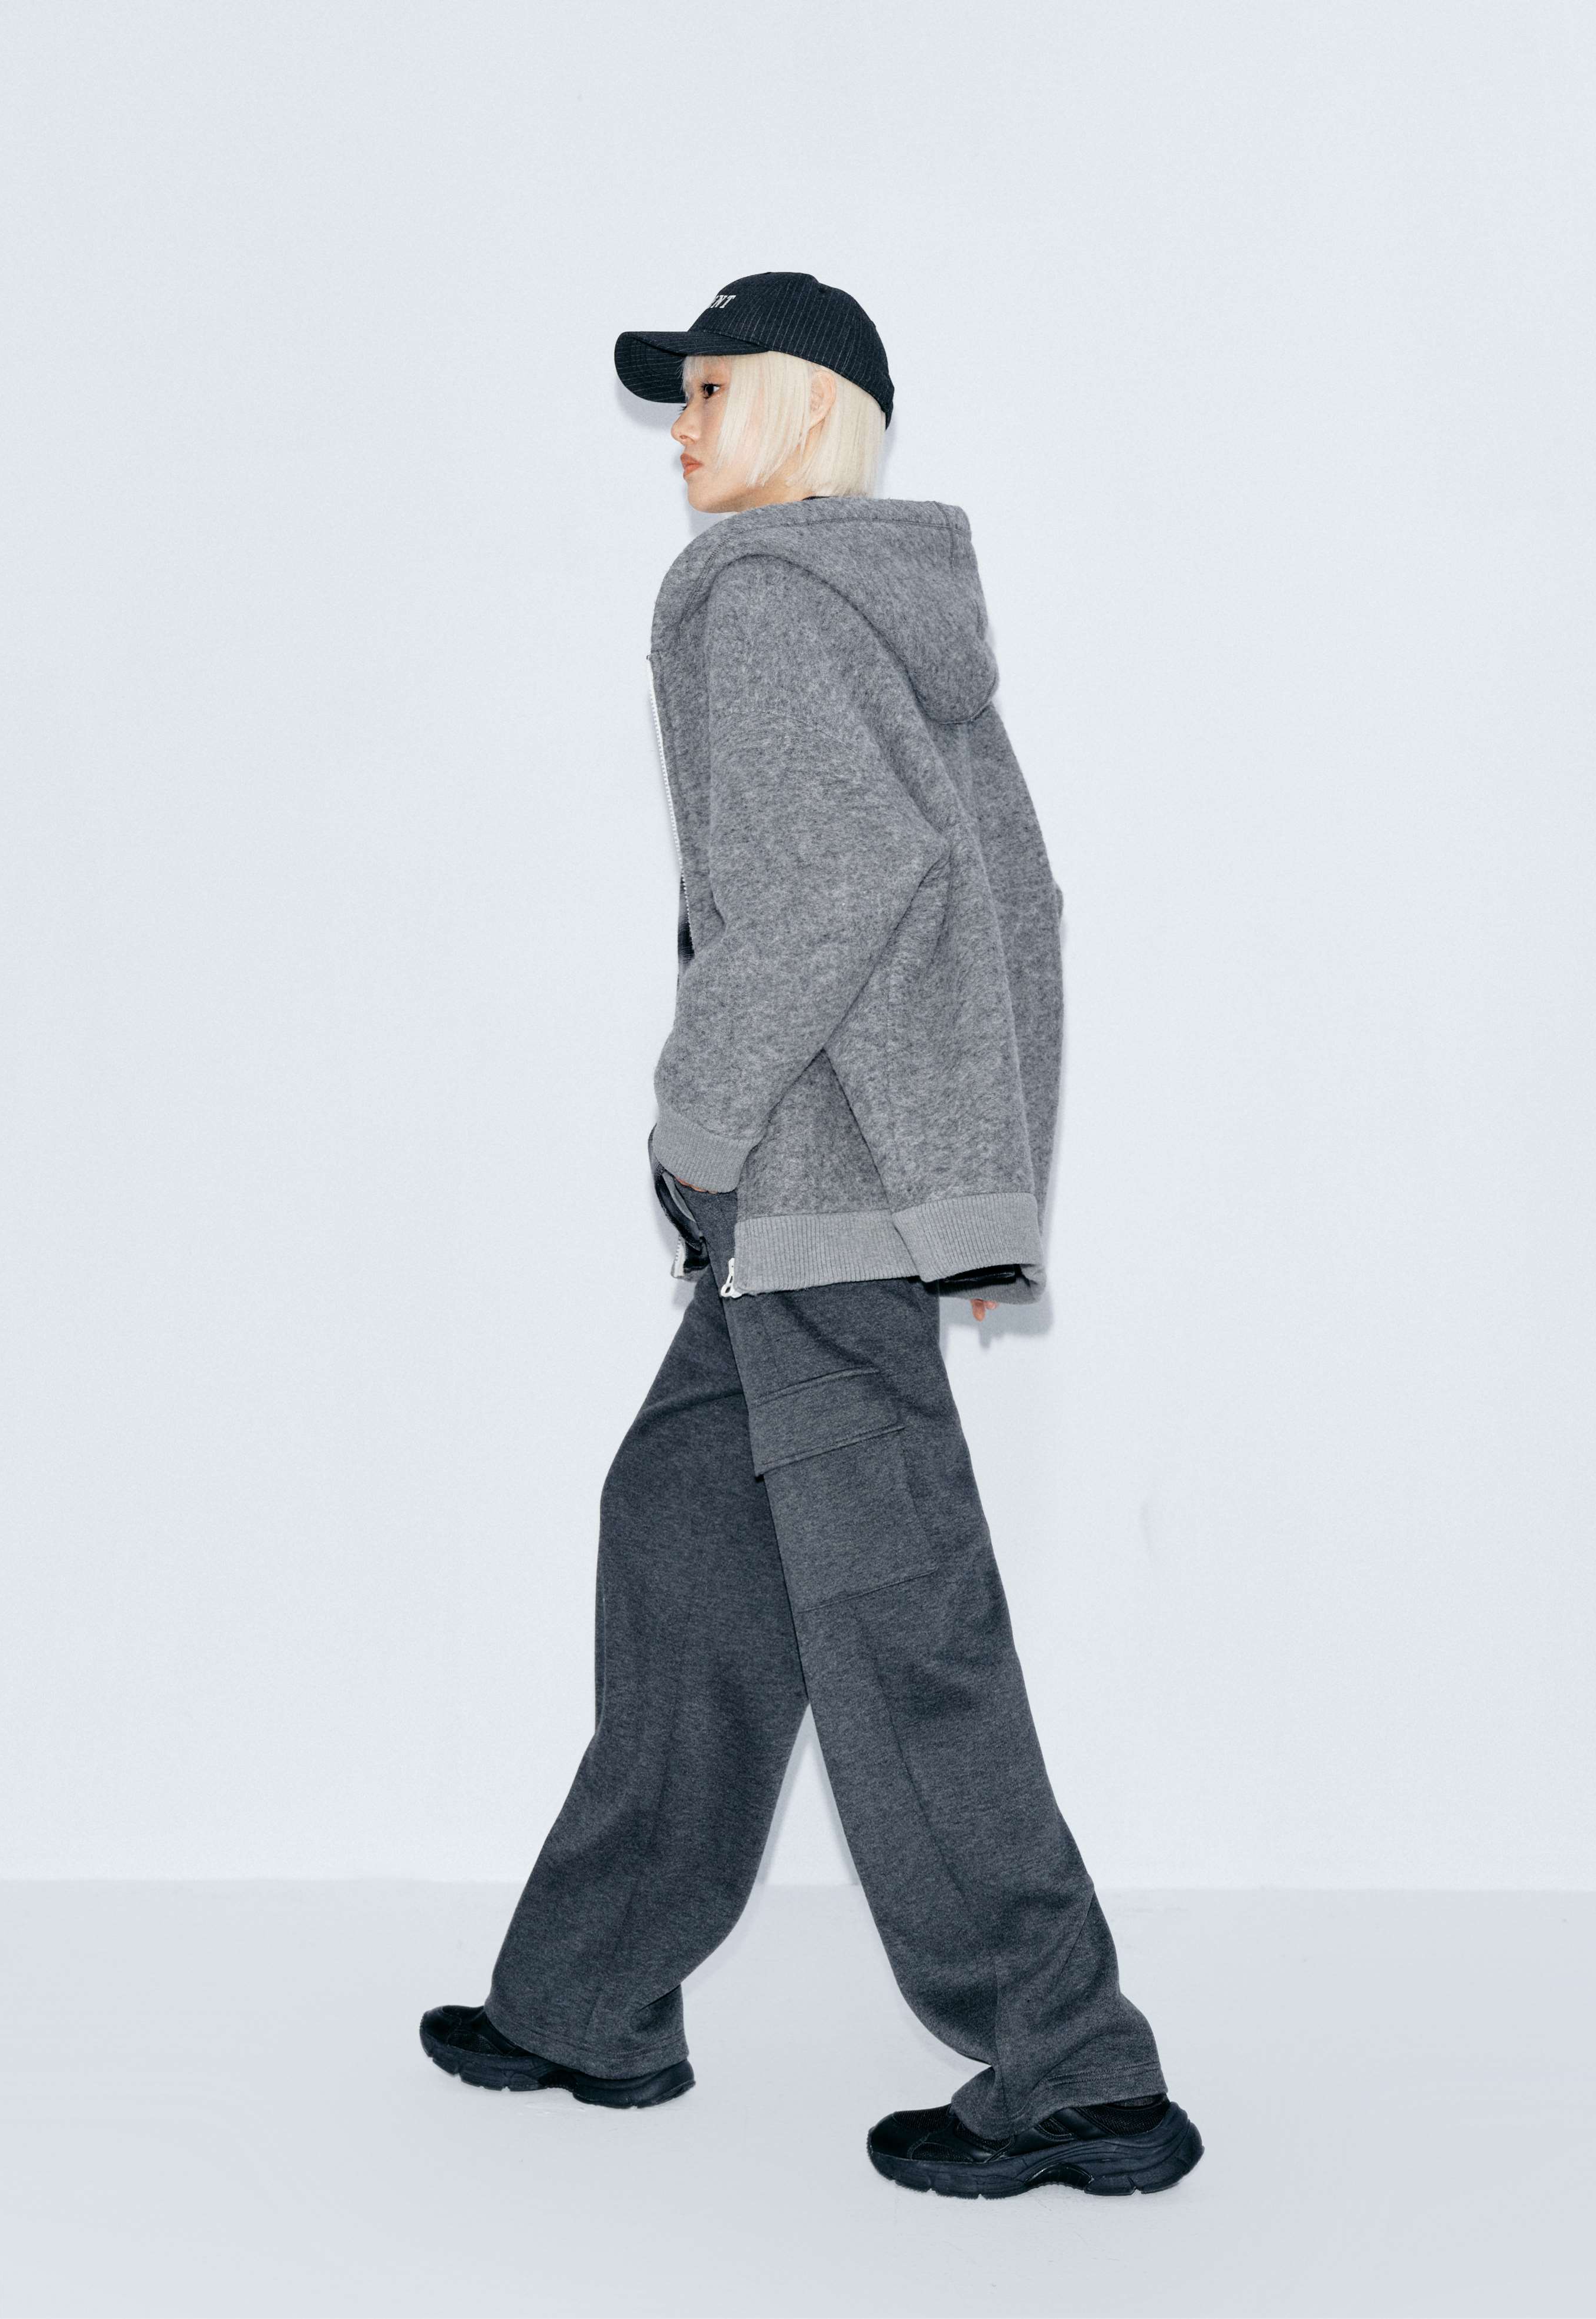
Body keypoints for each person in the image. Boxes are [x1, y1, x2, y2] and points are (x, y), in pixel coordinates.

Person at [421, 271, 1204, 2200]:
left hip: (806, 1195)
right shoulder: (889, 608)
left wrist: (695, 1117)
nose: (683, 428)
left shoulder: (759, 597)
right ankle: (589, 1993)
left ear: (812, 407)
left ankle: (1074, 2066)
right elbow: (1010, 893)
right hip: (832, 1197)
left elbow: (841, 885)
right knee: (686, 1546)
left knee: (902, 1627)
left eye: (713, 390)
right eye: (677, 397)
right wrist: (965, 1176)